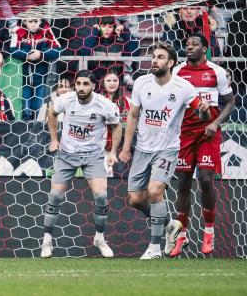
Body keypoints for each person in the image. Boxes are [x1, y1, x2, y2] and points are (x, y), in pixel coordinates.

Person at [119, 41, 210, 259]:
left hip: (167, 149)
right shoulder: (142, 82)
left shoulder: (183, 87)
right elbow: (132, 115)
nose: (154, 60)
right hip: (142, 148)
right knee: (135, 200)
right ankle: (171, 225)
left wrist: (205, 112)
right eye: (153, 56)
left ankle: (154, 248)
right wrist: (126, 147)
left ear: (170, 62)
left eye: (160, 57)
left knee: (154, 191)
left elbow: (202, 115)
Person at [42, 70, 121, 258]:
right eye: (78, 84)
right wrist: (54, 139)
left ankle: (99, 238)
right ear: (75, 85)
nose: (81, 88)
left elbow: (116, 124)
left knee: (101, 196)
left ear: (93, 86)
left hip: (93, 156)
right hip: (67, 154)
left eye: (86, 84)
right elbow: (51, 113)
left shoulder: (104, 104)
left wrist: (113, 152)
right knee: (54, 196)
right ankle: (46, 241)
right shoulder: (66, 99)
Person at [168, 34, 235, 257]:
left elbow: (230, 102)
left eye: (194, 44)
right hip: (184, 134)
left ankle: (209, 231)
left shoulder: (216, 72)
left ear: (204, 48)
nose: (189, 47)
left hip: (208, 133)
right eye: (187, 44)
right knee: (183, 183)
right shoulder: (177, 72)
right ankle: (181, 235)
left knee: (206, 180)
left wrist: (216, 123)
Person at [9, 18, 61, 121]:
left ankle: (36, 132)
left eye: (36, 21)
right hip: (23, 79)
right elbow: (13, 49)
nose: (33, 24)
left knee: (38, 108)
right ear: (24, 21)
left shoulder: (46, 30)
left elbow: (57, 49)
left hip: (40, 79)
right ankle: (25, 133)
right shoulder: (18, 30)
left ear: (40, 21)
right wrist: (28, 54)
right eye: (30, 21)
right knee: (25, 110)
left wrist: (41, 54)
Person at [101, 70, 130, 154]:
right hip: (100, 144)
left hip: (120, 145)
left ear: (119, 82)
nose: (112, 83)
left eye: (115, 80)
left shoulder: (127, 102)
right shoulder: (97, 100)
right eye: (108, 80)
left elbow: (127, 124)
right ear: (103, 82)